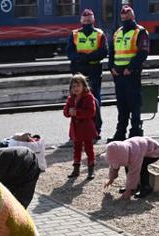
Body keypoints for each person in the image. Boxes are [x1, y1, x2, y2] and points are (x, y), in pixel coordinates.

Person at [108, 4, 149, 142]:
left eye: (128, 17)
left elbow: (143, 52)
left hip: (132, 74)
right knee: (122, 106)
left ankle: (135, 132)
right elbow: (112, 52)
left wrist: (130, 68)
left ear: (133, 17)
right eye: (123, 18)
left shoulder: (141, 32)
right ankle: (120, 133)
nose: (125, 20)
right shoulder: (117, 32)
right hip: (118, 75)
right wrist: (111, 67)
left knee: (134, 104)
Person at [66, 9, 107, 139]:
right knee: (76, 101)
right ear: (81, 21)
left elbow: (103, 52)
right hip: (78, 71)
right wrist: (80, 58)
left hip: (94, 71)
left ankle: (96, 129)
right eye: (85, 21)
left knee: (94, 100)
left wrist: (87, 57)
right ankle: (76, 132)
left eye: (89, 21)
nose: (87, 23)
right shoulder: (74, 34)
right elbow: (69, 53)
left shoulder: (100, 34)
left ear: (93, 21)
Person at [63, 74, 97, 179]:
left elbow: (91, 112)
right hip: (75, 129)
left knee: (89, 149)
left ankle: (91, 169)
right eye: (73, 87)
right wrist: (69, 112)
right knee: (76, 148)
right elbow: (65, 111)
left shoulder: (88, 97)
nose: (76, 89)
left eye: (78, 86)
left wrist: (77, 112)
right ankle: (76, 169)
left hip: (86, 128)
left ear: (84, 86)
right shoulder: (71, 98)